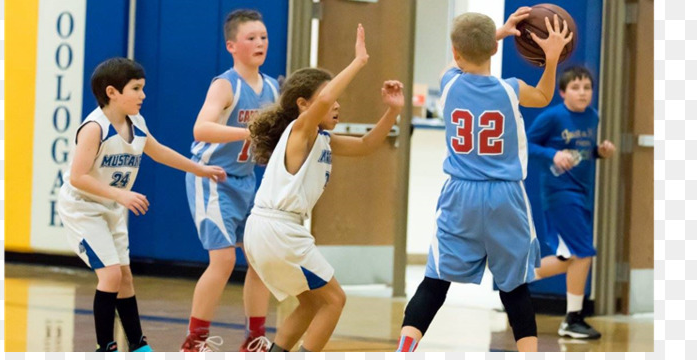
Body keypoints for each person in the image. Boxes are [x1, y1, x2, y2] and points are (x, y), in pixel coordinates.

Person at [396, 7, 572, 352]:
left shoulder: (449, 84)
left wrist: (499, 32)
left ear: (456, 52)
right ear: (494, 50)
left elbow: (455, 64)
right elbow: (544, 96)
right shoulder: (511, 90)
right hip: (505, 196)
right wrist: (551, 60)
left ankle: (403, 350)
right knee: (515, 288)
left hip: (459, 194)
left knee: (435, 282)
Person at [243, 24, 404, 352]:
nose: (336, 105)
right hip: (278, 229)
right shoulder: (299, 131)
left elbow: (366, 144)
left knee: (310, 302)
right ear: (304, 105)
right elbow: (328, 96)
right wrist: (358, 61)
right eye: (329, 99)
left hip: (268, 229)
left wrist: (393, 110)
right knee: (335, 300)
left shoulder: (321, 139)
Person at [58, 57, 226, 352]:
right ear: (112, 92)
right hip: (83, 208)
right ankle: (106, 347)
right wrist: (121, 194)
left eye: (143, 88)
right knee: (110, 275)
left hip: (109, 207)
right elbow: (77, 177)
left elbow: (158, 151)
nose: (143, 95)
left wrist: (199, 168)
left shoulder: (136, 123)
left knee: (124, 277)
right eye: (136, 88)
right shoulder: (94, 128)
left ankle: (137, 346)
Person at [181, 9, 280, 352]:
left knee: (259, 259)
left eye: (263, 37)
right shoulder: (225, 84)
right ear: (232, 45)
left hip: (247, 181)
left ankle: (255, 338)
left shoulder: (270, 87)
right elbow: (201, 128)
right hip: (212, 178)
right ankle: (194, 341)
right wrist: (249, 131)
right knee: (223, 260)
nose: (259, 43)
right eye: (251, 38)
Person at [527, 65, 616, 340]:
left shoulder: (592, 116)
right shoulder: (552, 117)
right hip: (559, 193)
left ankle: (516, 277)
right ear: (563, 92)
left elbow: (582, 152)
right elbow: (526, 144)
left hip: (582, 192)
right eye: (576, 88)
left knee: (570, 258)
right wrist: (552, 154)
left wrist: (598, 152)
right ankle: (572, 318)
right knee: (584, 253)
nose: (582, 93)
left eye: (587, 88)